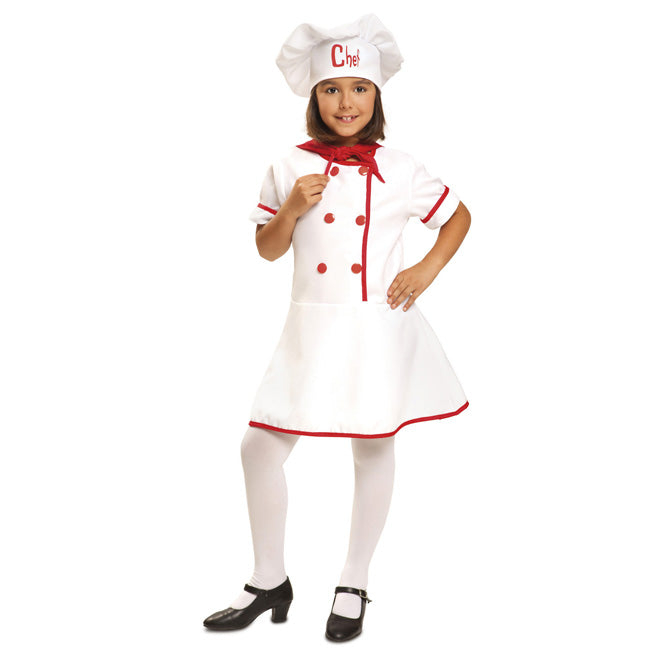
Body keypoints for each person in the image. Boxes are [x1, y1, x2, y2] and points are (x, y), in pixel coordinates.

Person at [203, 14, 471, 642]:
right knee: (258, 447)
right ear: (313, 96)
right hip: (310, 327)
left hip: (376, 327)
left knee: (372, 444)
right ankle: (268, 578)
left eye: (358, 88)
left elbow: (458, 216)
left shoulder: (401, 167)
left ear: (376, 95)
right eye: (331, 88)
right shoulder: (287, 165)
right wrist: (293, 207)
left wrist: (427, 268)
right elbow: (268, 250)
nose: (345, 102)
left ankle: (353, 579)